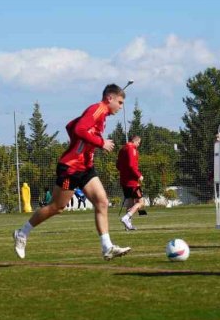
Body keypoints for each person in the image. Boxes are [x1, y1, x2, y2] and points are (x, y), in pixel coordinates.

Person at [13, 84, 131, 261]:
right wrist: (100, 142)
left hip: (86, 167)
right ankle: (22, 233)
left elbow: (70, 126)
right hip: (71, 167)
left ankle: (107, 248)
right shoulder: (98, 109)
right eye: (120, 102)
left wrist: (82, 144)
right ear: (110, 98)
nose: (121, 107)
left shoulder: (101, 114)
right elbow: (78, 129)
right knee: (57, 207)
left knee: (102, 202)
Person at [117, 135, 144, 230]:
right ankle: (126, 218)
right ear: (135, 141)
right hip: (132, 181)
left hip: (124, 180)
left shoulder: (122, 149)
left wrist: (124, 172)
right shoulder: (131, 149)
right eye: (138, 143)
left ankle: (128, 226)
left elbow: (118, 165)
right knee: (141, 202)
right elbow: (132, 165)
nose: (138, 145)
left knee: (130, 202)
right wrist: (138, 175)